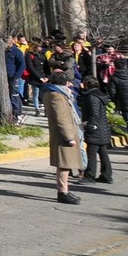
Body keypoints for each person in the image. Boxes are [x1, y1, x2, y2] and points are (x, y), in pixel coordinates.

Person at [42, 67, 85, 204]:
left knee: (65, 164)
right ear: (63, 83)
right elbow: (62, 118)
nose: (70, 85)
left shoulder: (56, 93)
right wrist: (69, 137)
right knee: (64, 164)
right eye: (68, 82)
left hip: (64, 133)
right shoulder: (57, 96)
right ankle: (63, 192)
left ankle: (65, 189)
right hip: (63, 135)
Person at [79, 76, 113, 184]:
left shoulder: (91, 97)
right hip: (102, 128)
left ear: (86, 84)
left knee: (92, 153)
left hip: (96, 129)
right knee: (103, 152)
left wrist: (89, 126)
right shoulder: (98, 95)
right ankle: (106, 175)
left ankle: (90, 176)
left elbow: (94, 114)